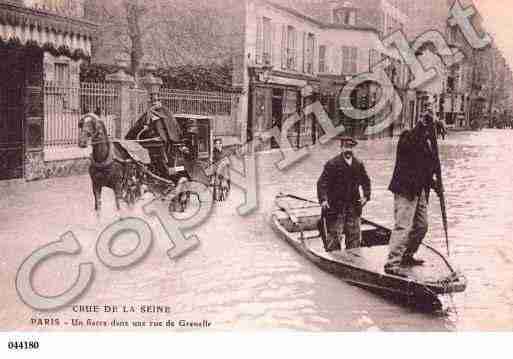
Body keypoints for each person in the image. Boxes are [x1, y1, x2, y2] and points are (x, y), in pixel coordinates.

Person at [384, 104, 442, 277]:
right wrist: (421, 125)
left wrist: (434, 184)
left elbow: (424, 169)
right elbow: (409, 149)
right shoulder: (407, 137)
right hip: (405, 189)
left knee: (422, 226)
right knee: (403, 226)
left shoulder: (427, 143)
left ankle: (407, 255)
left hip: (419, 190)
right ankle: (392, 263)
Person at [317, 136, 371, 250]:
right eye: (346, 147)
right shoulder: (332, 164)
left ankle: (353, 259)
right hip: (336, 206)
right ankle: (332, 260)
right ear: (341, 148)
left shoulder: (358, 164)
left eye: (351, 147)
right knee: (335, 235)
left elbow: (366, 182)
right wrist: (323, 200)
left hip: (354, 206)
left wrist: (366, 196)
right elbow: (322, 183)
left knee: (354, 235)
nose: (348, 150)